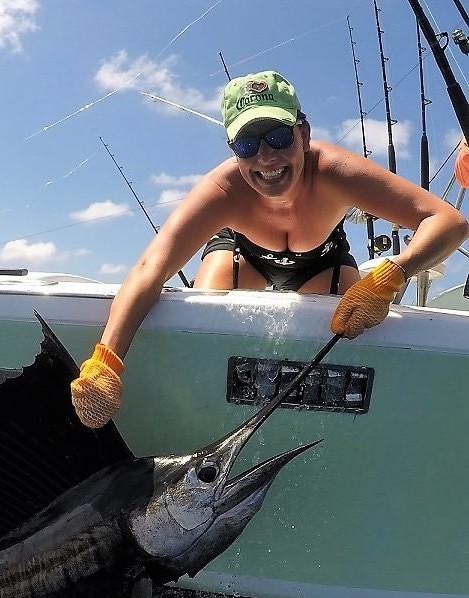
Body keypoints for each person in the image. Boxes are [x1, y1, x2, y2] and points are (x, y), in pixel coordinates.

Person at [71, 70, 469, 429]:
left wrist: (393, 272)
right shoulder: (223, 190)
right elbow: (149, 269)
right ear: (233, 149)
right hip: (243, 257)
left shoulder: (334, 171)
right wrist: (106, 359)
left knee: (353, 343)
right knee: (204, 318)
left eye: (278, 137)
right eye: (247, 144)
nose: (265, 157)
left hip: (323, 262)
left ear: (304, 134)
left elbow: (449, 222)